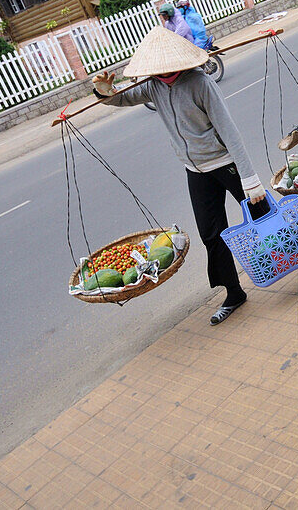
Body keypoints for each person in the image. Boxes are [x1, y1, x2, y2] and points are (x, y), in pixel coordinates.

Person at [92, 27, 267, 325]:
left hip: (225, 162)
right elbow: (121, 99)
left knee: (261, 213)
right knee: (211, 235)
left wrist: (251, 180)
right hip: (195, 170)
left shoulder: (200, 83)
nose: (162, 71)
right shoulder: (152, 86)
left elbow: (230, 131)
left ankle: (290, 252)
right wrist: (105, 91)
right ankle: (234, 292)